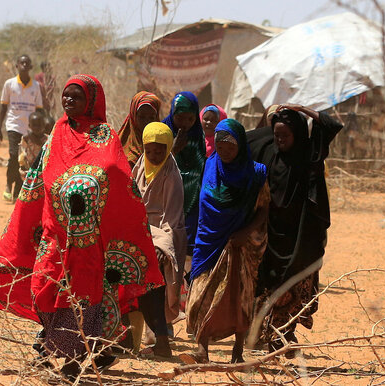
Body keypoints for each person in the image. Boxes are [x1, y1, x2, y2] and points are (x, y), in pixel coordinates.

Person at [0, 74, 164, 378]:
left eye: (76, 97)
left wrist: (88, 192)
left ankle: (71, 362)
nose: (69, 101)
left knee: (81, 297)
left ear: (91, 101)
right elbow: (38, 177)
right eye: (66, 96)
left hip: (87, 239)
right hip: (54, 233)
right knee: (45, 289)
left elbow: (117, 176)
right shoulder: (57, 132)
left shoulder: (104, 135)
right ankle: (67, 349)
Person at [252, 104, 342, 354]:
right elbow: (240, 141)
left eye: (285, 136)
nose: (280, 140)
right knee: (269, 285)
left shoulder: (308, 156)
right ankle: (269, 336)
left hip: (302, 234)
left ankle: (284, 334)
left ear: (298, 134)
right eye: (277, 135)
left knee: (296, 284)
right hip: (273, 233)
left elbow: (332, 125)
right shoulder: (269, 152)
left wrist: (300, 109)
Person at [182, 119, 269, 364]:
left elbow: (264, 209)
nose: (224, 150)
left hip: (238, 243)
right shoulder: (210, 165)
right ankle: (202, 350)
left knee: (237, 296)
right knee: (200, 294)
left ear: (241, 144)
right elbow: (202, 205)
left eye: (230, 145)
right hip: (208, 240)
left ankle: (238, 352)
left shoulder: (256, 173)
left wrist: (245, 232)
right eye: (220, 145)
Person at [131, 121, 186, 357]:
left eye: (159, 151)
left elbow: (171, 218)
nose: (153, 156)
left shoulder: (171, 176)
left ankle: (162, 341)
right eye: (149, 151)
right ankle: (132, 339)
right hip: (140, 232)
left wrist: (162, 245)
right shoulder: (140, 166)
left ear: (169, 148)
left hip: (161, 238)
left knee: (153, 293)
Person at [161, 91, 207, 255]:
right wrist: (173, 150)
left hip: (193, 198)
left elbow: (201, 167)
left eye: (190, 119)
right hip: (166, 198)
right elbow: (155, 168)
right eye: (180, 118)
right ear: (172, 113)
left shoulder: (198, 136)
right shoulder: (163, 134)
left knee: (186, 247)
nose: (185, 124)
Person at [0, 54, 44, 202]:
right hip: (13, 125)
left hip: (29, 130)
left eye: (27, 63)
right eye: (21, 63)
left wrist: (40, 130)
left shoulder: (36, 87)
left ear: (30, 67)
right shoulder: (9, 84)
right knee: (13, 156)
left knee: (23, 160)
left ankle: (18, 190)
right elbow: (3, 107)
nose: (24, 65)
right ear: (17, 66)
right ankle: (9, 184)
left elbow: (39, 110)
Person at [118, 91, 162, 167]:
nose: (147, 122)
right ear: (134, 116)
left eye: (151, 118)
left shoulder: (162, 141)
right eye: (141, 117)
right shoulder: (121, 144)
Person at [18, 111, 47, 179]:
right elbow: (21, 155)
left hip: (43, 173)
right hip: (28, 172)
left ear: (44, 125)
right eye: (34, 125)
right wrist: (23, 168)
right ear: (29, 126)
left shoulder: (48, 140)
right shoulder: (26, 139)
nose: (36, 127)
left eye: (39, 125)